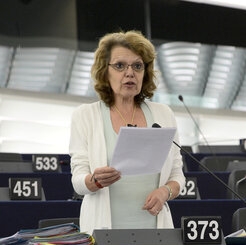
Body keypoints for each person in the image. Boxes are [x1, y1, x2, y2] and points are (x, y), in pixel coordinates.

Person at [69, 30, 186, 234]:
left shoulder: (163, 114)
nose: (130, 73)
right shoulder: (85, 115)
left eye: (138, 66)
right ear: (105, 72)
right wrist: (94, 180)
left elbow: (177, 175)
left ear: (145, 73)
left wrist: (164, 192)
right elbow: (78, 181)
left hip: (155, 229)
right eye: (120, 66)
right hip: (103, 230)